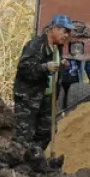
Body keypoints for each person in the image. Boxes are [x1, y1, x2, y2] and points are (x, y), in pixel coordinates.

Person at [14, 13, 73, 147]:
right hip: (29, 99)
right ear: (55, 28)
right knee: (24, 136)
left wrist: (61, 66)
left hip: (47, 99)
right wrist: (45, 67)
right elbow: (24, 68)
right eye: (65, 31)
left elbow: (53, 72)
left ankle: (36, 160)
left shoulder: (58, 48)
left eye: (69, 32)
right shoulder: (35, 45)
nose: (67, 35)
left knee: (47, 132)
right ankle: (19, 165)